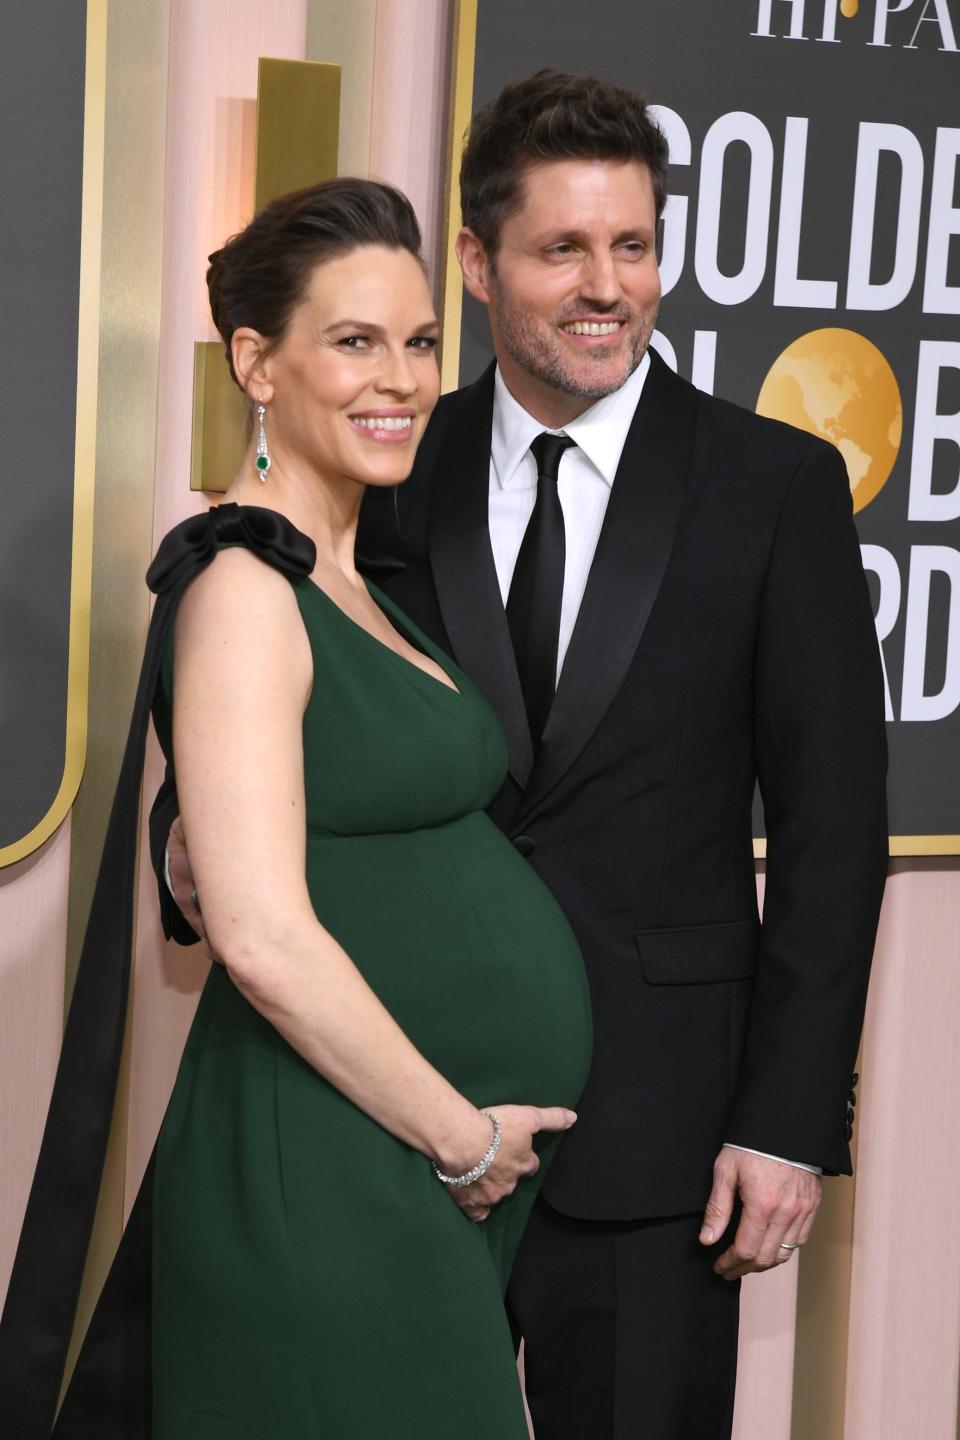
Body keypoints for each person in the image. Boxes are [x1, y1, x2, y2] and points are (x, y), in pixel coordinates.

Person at [156, 73, 889, 1439]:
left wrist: (788, 1119)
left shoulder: (772, 490)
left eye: (634, 246)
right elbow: (280, 691)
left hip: (663, 1140)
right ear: (485, 266)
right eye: (563, 249)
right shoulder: (383, 469)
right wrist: (188, 844)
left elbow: (835, 829)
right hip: (387, 1117)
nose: (607, 285)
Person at [0, 179, 592, 1439]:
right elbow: (261, 937)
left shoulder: (350, 572)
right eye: (356, 341)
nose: (405, 380)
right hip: (339, 1161)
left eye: (422, 341)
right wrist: (462, 1141)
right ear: (256, 362)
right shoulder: (243, 586)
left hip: (403, 1167)